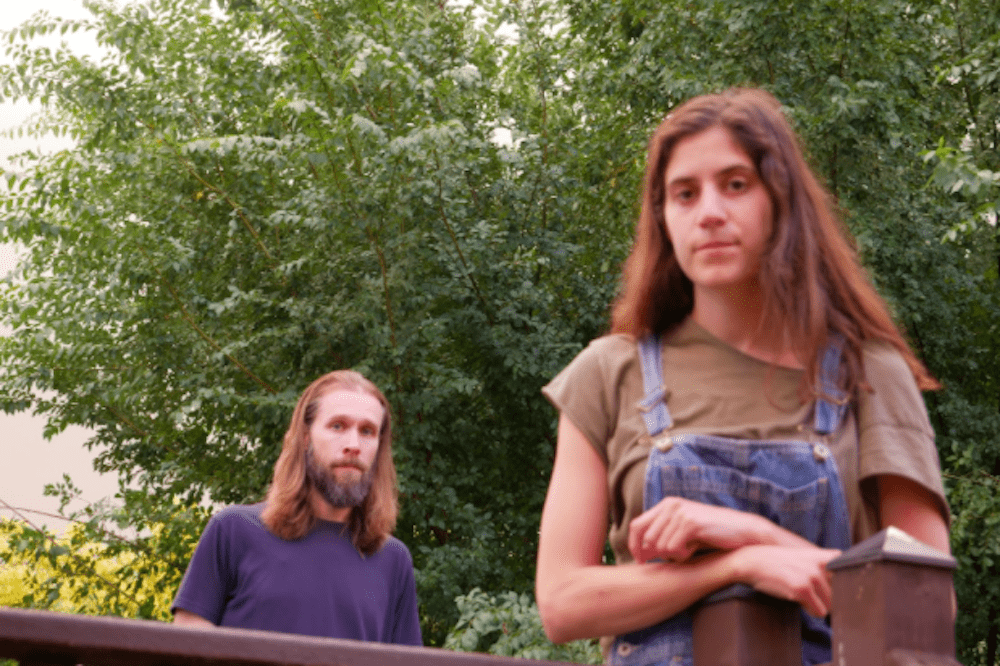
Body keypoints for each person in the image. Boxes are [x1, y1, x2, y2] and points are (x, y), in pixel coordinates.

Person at [535, 88, 950, 666]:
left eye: (735, 184)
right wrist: (736, 564)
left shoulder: (868, 372)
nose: (709, 212)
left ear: (781, 201)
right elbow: (562, 604)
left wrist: (748, 531)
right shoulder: (607, 373)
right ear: (663, 218)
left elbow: (925, 611)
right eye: (685, 193)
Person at [171, 370, 422, 646]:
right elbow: (186, 648)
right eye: (338, 426)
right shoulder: (233, 531)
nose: (354, 445)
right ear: (305, 437)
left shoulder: (393, 560)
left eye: (367, 431)